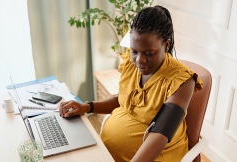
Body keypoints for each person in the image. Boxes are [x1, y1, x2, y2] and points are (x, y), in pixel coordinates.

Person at [60, 5, 203, 162]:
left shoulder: (181, 81)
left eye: (148, 53)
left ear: (166, 45)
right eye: (135, 51)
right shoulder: (132, 63)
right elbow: (122, 101)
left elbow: (160, 135)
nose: (139, 60)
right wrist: (87, 107)